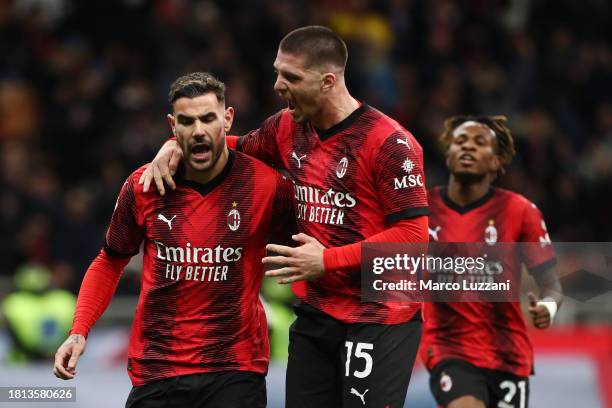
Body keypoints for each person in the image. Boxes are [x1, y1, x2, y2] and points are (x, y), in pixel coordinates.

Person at [140, 26, 429, 408]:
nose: (278, 85)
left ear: (327, 81)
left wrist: (326, 260)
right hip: (318, 312)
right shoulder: (287, 128)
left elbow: (413, 235)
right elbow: (232, 148)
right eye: (278, 72)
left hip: (379, 315)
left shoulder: (389, 142)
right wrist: (172, 145)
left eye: (291, 77)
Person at [53, 72, 294, 408]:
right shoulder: (144, 186)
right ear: (172, 125)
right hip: (158, 370)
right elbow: (110, 260)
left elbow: (316, 235)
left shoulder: (267, 186)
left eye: (208, 118)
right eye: (187, 121)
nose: (198, 131)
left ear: (227, 119)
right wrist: (79, 331)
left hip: (234, 369)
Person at [421, 115, 563, 408]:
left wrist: (547, 308)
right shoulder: (421, 210)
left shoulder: (520, 212)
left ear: (497, 162)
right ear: (447, 154)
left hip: (507, 353)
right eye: (460, 141)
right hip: (448, 348)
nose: (467, 147)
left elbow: (552, 286)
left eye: (479, 142)